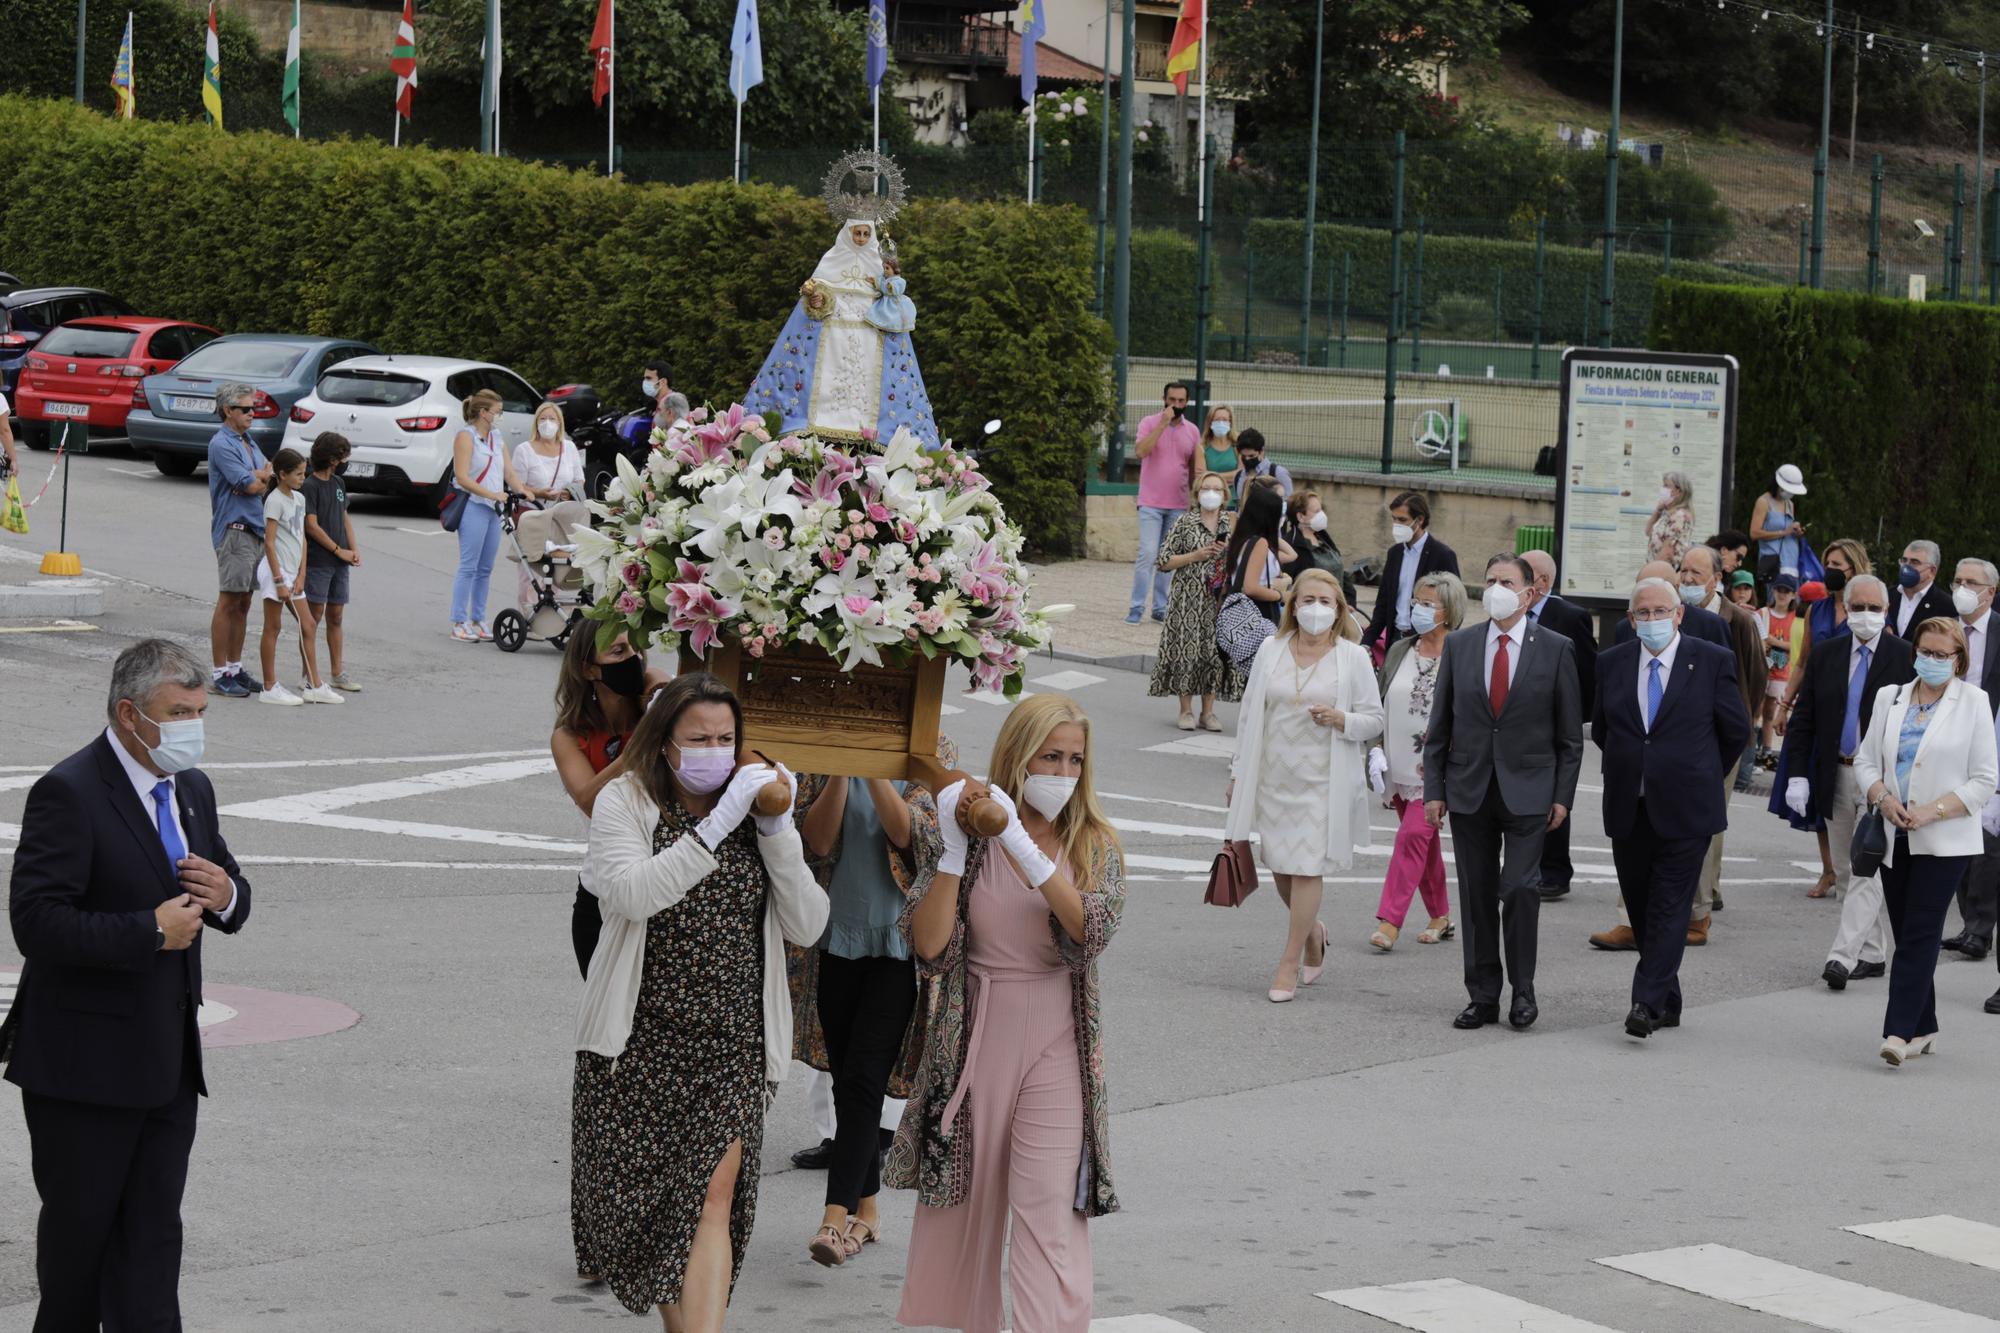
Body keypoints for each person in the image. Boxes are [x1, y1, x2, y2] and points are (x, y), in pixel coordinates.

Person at [2, 638, 252, 1329]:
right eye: (178, 711)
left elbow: (230, 892)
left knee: (152, 1244)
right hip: (84, 1072)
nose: (191, 727)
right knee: (79, 1254)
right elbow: (37, 922)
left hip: (167, 1067)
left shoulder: (191, 787)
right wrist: (147, 930)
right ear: (128, 714)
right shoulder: (70, 791)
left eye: (200, 711)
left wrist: (228, 892)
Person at [570, 672, 828, 1325]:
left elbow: (808, 923)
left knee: (714, 1195)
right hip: (641, 1042)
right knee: (660, 1214)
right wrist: (714, 826)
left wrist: (776, 831)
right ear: (663, 743)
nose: (715, 750)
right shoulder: (624, 802)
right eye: (699, 738)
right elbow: (629, 894)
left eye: (725, 737)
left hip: (732, 1044)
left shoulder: (756, 808)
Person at [893, 695, 1124, 1333]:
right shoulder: (967, 834)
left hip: (1054, 1036)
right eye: (1050, 755)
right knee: (961, 1205)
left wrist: (1022, 846)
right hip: (974, 1032)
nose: (1063, 771)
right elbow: (928, 944)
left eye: (1075, 759)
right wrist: (953, 853)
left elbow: (1092, 930)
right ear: (1018, 757)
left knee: (1049, 1209)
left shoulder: (1095, 842)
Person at [1424, 554, 1583, 1030]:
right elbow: (1440, 724)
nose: (1496, 588)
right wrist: (1435, 789)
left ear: (1529, 592)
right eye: (1490, 579)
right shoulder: (1462, 645)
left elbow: (1570, 737)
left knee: (1518, 889)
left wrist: (1563, 796)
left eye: (1507, 581)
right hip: (1469, 788)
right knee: (1475, 896)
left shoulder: (1556, 648)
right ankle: (1483, 996)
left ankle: (1524, 992)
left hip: (1530, 792)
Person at [794, 767, 943, 1267]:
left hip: (896, 950)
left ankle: (834, 1219)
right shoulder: (823, 763)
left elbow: (907, 835)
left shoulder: (928, 756)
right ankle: (870, 1211)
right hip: (836, 941)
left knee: (863, 1081)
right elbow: (815, 841)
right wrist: (841, 769)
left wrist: (877, 767)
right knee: (845, 1080)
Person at [1595, 578, 1751, 1038]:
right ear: (1630, 620)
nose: (1652, 620)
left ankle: (1644, 1003)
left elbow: (1735, 731)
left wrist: (1697, 772)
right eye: (1642, 613)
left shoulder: (1711, 660)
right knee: (1643, 909)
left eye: (1661, 611)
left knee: (1669, 905)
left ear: (1679, 614)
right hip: (1629, 803)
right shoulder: (1613, 663)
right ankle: (1669, 1000)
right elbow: (1605, 731)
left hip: (1688, 808)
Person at [1226, 570, 1384, 999]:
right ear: (1293, 605)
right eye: (1308, 599)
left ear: (1339, 611)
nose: (1316, 608)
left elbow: (1375, 717)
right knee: (1280, 865)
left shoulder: (1353, 657)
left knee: (1307, 867)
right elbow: (1247, 715)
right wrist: (1238, 771)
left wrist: (1341, 719)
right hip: (1274, 777)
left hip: (1322, 781)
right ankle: (1312, 932)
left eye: (1326, 601)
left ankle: (1289, 961)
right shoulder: (1270, 648)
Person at [1854, 618, 1998, 1065]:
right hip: (1894, 836)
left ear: (1959, 660)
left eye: (1942, 655)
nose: (1931, 661)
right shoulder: (1890, 697)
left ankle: (1896, 1033)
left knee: (1919, 934)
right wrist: (1881, 797)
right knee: (1907, 931)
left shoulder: (1973, 702)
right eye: (1925, 652)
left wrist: (1930, 811)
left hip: (1946, 840)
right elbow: (1865, 760)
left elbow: (1984, 780)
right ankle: (1924, 1026)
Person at [1781, 575, 1913, 989]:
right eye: (1859, 607)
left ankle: (1842, 956)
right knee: (1843, 869)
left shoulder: (1905, 656)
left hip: (1879, 780)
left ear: (1887, 612)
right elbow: (1805, 719)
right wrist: (1798, 773)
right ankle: (1873, 954)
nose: (1866, 615)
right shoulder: (1827, 654)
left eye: (1875, 608)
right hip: (1835, 771)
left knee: (1866, 867)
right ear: (1846, 609)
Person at [742, 219, 939, 449]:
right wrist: (817, 298)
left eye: (866, 234)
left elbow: (891, 296)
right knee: (824, 383)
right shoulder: (832, 260)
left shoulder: (879, 265)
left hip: (870, 338)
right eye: (857, 233)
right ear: (847, 233)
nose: (861, 239)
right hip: (831, 340)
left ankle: (866, 434)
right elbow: (817, 296)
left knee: (867, 388)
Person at [552, 628, 670, 978]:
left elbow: (665, 686)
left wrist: (655, 693)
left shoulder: (651, 701)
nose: (632, 658)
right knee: (606, 1025)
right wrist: (641, 747)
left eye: (635, 647)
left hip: (663, 888)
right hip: (601, 897)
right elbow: (589, 800)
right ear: (588, 669)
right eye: (618, 652)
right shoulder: (570, 736)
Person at [1367, 572, 1463, 951]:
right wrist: (1374, 747)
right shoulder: (1400, 650)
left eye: (1427, 605)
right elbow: (1378, 701)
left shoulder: (1462, 651)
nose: (1418, 611)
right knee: (1424, 848)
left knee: (1411, 837)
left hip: (1438, 770)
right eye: (1416, 603)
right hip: (1397, 764)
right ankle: (1440, 916)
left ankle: (1389, 920)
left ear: (1449, 610)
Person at [1521, 549, 1597, 902]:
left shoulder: (1570, 616)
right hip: (1515, 722)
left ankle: (1554, 871)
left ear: (1543, 581)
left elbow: (1585, 672)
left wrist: (1572, 718)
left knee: (1553, 798)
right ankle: (1524, 866)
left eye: (1524, 574)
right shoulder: (1510, 612)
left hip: (1553, 724)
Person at [1148, 471, 1241, 731]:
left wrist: (1228, 553)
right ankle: (1186, 710)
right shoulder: (1184, 522)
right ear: (1198, 493)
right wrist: (1196, 555)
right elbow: (1164, 560)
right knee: (1187, 652)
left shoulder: (1230, 523)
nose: (1211, 493)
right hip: (1186, 599)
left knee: (1212, 654)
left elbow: (1243, 558)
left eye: (1216, 489)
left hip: (1217, 599)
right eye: (1206, 488)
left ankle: (1208, 713)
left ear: (1224, 495)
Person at [1942, 557, 2000, 963]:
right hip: (1947, 744)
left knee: (1988, 843)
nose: (1962, 587)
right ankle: (1969, 924)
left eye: (1971, 582)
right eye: (1958, 580)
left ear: (1990, 592)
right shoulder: (1944, 630)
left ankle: (1980, 929)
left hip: (1991, 744)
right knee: (1955, 836)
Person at [205, 382, 274, 698]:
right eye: (246, 409)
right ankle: (220, 672)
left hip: (254, 528)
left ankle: (234, 667)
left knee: (244, 602)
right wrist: (256, 479)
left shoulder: (248, 442)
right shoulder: (222, 444)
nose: (252, 414)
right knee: (229, 600)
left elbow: (267, 474)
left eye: (253, 409)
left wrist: (258, 478)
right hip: (234, 529)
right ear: (228, 410)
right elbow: (249, 484)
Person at [255, 448, 339, 707]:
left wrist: (302, 573)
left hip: (294, 572)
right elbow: (269, 543)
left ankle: (314, 685)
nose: (304, 478)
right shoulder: (274, 500)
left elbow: (301, 537)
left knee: (309, 624)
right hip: (275, 570)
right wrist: (279, 580)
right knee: (273, 626)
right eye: (299, 474)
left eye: (305, 472)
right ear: (282, 475)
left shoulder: (299, 499)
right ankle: (269, 687)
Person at [448, 388, 526, 644]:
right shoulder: (465, 437)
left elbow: (509, 472)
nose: (500, 416)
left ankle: (478, 619)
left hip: (494, 508)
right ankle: (459, 621)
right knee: (468, 566)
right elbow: (462, 477)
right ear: (483, 413)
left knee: (485, 568)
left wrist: (525, 492)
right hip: (474, 505)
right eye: (497, 412)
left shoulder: (496, 437)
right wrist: (492, 495)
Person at [1125, 380, 1201, 624]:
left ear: (1187, 402)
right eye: (1172, 400)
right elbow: (1140, 452)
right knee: (1147, 553)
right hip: (1150, 502)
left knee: (1167, 558)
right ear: (1164, 399)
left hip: (1178, 504)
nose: (1176, 405)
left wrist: (1194, 498)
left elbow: (1192, 468)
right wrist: (1162, 423)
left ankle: (1160, 606)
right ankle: (1136, 608)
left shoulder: (1192, 431)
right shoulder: (1149, 423)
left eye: (1181, 401)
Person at [301, 432, 363, 694]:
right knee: (313, 617)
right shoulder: (309, 486)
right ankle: (308, 673)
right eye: (342, 457)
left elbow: (344, 516)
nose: (345, 462)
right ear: (331, 458)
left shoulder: (338, 483)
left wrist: (354, 548)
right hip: (320, 560)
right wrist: (339, 551)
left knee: (335, 616)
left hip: (341, 561)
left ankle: (338, 672)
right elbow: (311, 526)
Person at [1363, 490, 1460, 654]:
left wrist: (1443, 643)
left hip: (1427, 640)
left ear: (1419, 520)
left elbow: (1455, 606)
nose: (1396, 525)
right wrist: (1366, 643)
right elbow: (1383, 603)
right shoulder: (1394, 553)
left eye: (1402, 520)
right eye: (1393, 519)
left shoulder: (1442, 555)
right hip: (1395, 638)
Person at [1218, 479, 1291, 630]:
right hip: (1258, 610)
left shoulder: (1241, 538)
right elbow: (1250, 587)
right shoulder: (1260, 543)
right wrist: (1281, 595)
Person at [1755, 575, 1804, 765]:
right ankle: (1753, 751)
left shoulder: (1796, 619)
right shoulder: (1762, 613)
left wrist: (1773, 641)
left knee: (1770, 713)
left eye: (1787, 591)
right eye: (1779, 590)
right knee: (1755, 712)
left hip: (1781, 673)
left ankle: (1767, 752)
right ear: (1773, 591)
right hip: (1761, 670)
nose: (1782, 595)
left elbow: (1797, 645)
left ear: (1793, 595)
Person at [1281, 489, 1357, 610]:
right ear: (1300, 516)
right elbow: (1289, 584)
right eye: (1316, 511)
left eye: (1321, 509)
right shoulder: (1291, 545)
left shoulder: (1323, 537)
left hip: (1337, 608)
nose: (1322, 514)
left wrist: (1349, 601)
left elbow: (1340, 569)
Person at [515, 402, 584, 503]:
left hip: (565, 512)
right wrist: (539, 493)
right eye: (542, 419)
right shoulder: (523, 450)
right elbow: (516, 485)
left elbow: (579, 479)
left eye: (552, 419)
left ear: (559, 422)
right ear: (536, 423)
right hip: (534, 513)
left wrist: (570, 492)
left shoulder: (570, 447)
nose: (547, 423)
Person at [1749, 463, 1808, 580]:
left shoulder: (1790, 504)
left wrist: (1796, 532)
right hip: (1774, 564)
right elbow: (1754, 533)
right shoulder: (1764, 502)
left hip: (1792, 563)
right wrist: (1783, 532)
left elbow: (1788, 531)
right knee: (1775, 597)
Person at [1893, 539, 1953, 640]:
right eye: (1904, 560)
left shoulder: (1947, 606)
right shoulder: (1886, 596)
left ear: (1932, 571)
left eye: (1914, 562)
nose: (1906, 566)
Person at [1644, 470, 1697, 567]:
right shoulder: (1668, 514)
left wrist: (1652, 573)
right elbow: (1648, 531)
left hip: (1662, 572)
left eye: (1666, 486)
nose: (1663, 489)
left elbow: (1667, 552)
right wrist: (1658, 511)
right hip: (1655, 568)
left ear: (1678, 491)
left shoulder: (1680, 516)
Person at [1231, 428, 1293, 504]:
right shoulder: (1239, 476)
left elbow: (1288, 503)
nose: (1247, 459)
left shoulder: (1278, 473)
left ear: (1261, 451)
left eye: (1251, 456)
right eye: (1243, 456)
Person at [1200, 403, 1239, 477]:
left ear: (1230, 422)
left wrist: (1211, 476)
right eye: (1217, 420)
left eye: (1224, 420)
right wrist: (1231, 476)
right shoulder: (1202, 447)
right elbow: (1201, 477)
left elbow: (1241, 474)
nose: (1221, 423)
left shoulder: (1237, 444)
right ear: (1210, 422)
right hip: (1210, 488)